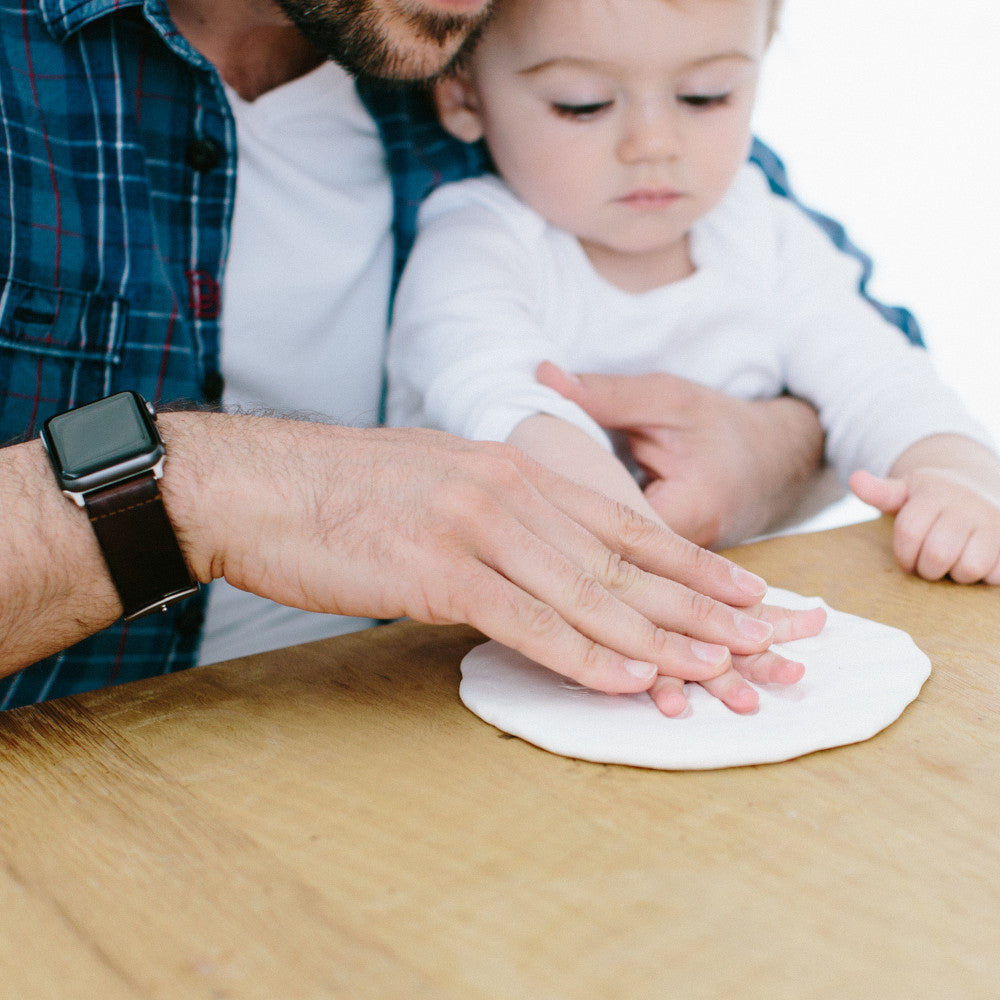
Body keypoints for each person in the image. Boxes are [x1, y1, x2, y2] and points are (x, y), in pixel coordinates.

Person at [2, 0, 896, 712]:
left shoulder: (526, 38)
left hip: (417, 745)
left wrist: (772, 452)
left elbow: (854, 345)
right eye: (582, 106)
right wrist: (202, 489)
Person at [386, 0, 1000, 712]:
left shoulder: (764, 231)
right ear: (464, 96)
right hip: (489, 667)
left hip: (714, 649)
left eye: (706, 95)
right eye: (582, 105)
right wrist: (640, 569)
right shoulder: (475, 245)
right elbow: (508, 406)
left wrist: (955, 476)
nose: (654, 143)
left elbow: (878, 375)